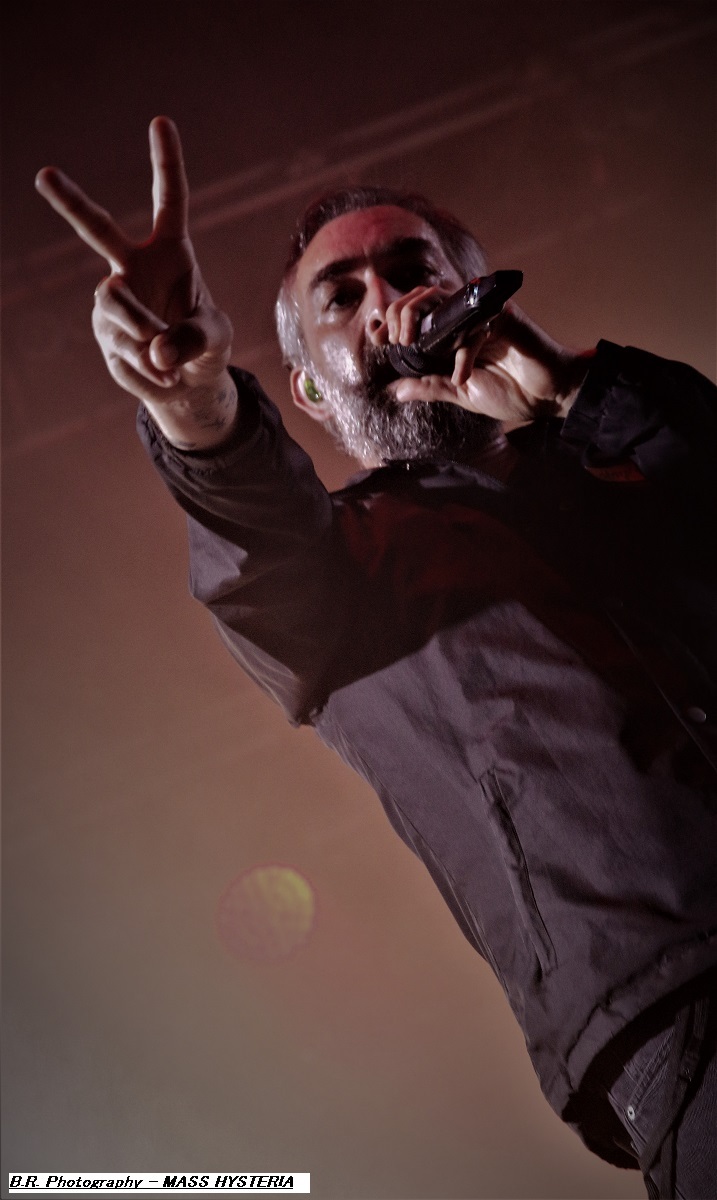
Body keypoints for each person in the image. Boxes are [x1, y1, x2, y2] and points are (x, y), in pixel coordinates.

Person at [36, 117, 717, 1200]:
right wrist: (192, 399)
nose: (389, 305)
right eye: (341, 298)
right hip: (686, 1005)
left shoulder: (627, 458)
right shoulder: (348, 570)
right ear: (312, 390)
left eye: (412, 271)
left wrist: (573, 390)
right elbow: (256, 530)